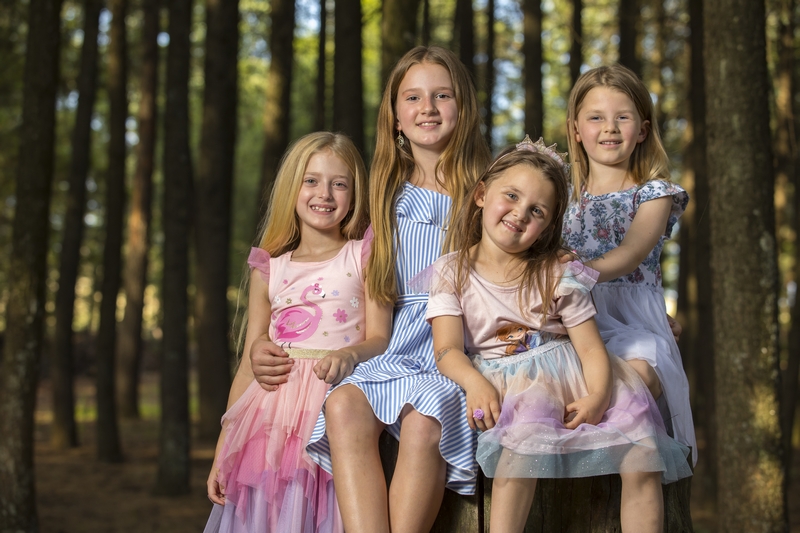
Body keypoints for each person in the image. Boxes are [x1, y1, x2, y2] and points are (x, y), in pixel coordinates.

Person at [249, 46, 492, 533]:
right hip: (397, 341)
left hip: (461, 342)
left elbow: (537, 253)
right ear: (396, 118)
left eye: (442, 95)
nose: (428, 108)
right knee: (341, 405)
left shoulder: (487, 188)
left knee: (425, 423)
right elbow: (334, 266)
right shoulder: (380, 194)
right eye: (413, 98)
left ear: (462, 107)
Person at [426, 137, 693, 533]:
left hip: (570, 370)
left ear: (549, 224)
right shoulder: (452, 270)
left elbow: (589, 348)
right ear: (481, 194)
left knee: (642, 449)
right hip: (507, 381)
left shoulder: (557, 272)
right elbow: (447, 348)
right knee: (518, 449)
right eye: (511, 196)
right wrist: (474, 383)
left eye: (537, 210)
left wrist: (598, 396)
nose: (520, 213)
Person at [203, 132, 393, 533]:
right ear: (292, 187)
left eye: (339, 183)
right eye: (311, 180)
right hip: (271, 418)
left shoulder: (364, 255)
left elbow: (381, 336)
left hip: (333, 407)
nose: (324, 193)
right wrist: (223, 449)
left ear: (354, 193)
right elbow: (249, 363)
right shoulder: (270, 268)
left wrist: (351, 354)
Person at [562, 63, 697, 465]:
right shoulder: (561, 196)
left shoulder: (654, 194)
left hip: (633, 321)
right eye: (596, 118)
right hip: (571, 320)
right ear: (575, 129)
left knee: (632, 389)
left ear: (642, 129)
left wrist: (572, 275)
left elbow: (632, 252)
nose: (610, 128)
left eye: (623, 117)